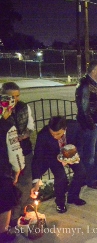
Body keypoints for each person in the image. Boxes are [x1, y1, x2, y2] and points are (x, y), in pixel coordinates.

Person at [31, 116, 86, 214]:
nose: (55, 136)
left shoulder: (74, 126)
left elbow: (80, 142)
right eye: (52, 134)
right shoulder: (43, 135)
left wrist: (76, 155)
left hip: (70, 153)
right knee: (61, 178)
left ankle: (73, 196)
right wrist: (36, 179)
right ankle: (60, 203)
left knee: (81, 172)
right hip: (53, 156)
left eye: (58, 134)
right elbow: (38, 157)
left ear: (65, 129)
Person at [1, 82, 34, 225]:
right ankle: (10, 218)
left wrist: (20, 136)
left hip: (24, 150)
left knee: (25, 182)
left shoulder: (24, 107)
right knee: (9, 187)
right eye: (10, 97)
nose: (14, 100)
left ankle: (21, 211)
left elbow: (30, 127)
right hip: (6, 157)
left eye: (17, 96)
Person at [75, 60, 97, 189]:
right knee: (90, 154)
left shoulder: (95, 83)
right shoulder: (85, 85)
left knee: (95, 152)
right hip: (90, 125)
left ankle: (95, 177)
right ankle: (90, 180)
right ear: (94, 71)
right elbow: (83, 108)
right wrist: (91, 124)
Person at [0, 94, 24, 242]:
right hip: (2, 172)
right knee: (4, 204)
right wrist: (18, 170)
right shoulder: (8, 127)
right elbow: (15, 152)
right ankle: (3, 233)